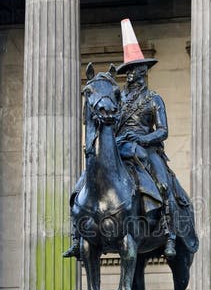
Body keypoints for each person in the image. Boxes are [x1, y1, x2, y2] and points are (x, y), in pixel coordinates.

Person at [64, 18, 178, 260]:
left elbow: (163, 131)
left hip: (145, 148)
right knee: (84, 180)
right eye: (131, 71)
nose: (134, 75)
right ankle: (77, 234)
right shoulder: (120, 99)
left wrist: (143, 139)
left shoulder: (153, 99)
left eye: (137, 70)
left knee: (162, 181)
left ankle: (168, 230)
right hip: (120, 146)